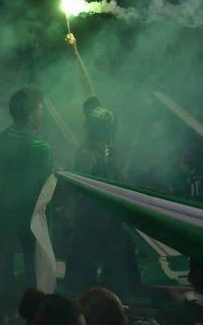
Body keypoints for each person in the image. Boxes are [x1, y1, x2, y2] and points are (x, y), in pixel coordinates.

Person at [65, 32, 130, 296]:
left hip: (89, 219)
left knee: (82, 267)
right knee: (112, 266)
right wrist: (76, 53)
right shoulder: (113, 148)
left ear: (91, 127)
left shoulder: (87, 155)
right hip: (111, 216)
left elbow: (77, 189)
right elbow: (88, 88)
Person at [0, 87, 53, 312]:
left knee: (0, 263)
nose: (42, 112)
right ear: (31, 113)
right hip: (27, 216)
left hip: (1, 211)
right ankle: (29, 313)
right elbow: (44, 186)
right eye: (40, 108)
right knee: (30, 264)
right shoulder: (41, 150)